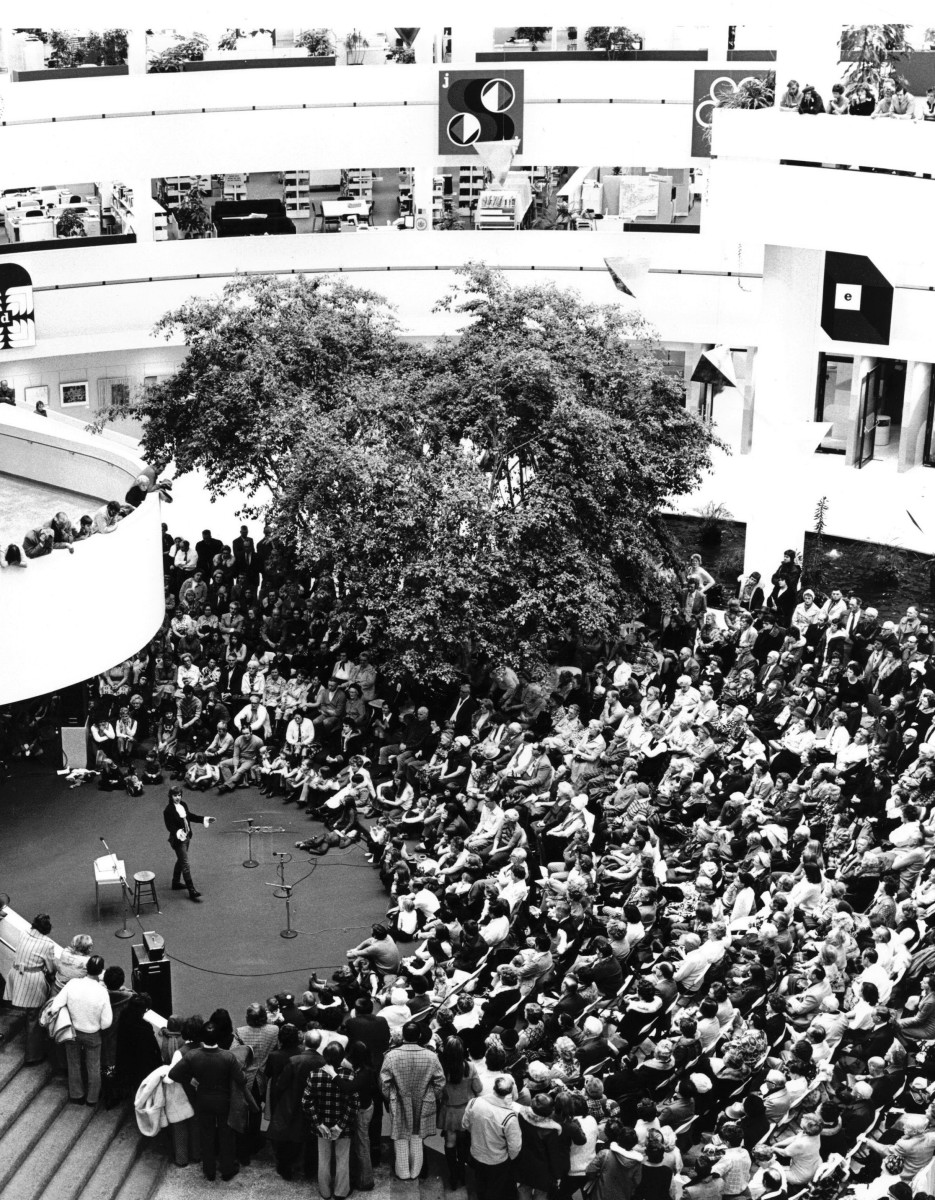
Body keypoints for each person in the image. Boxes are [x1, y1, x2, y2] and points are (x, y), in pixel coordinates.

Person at [168, 1021, 246, 1182]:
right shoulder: (228, 1056)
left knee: (206, 1135)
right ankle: (227, 1169)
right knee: (226, 1135)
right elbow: (241, 1079)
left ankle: (209, 1171)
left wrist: (191, 1079)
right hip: (224, 1100)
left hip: (202, 1099)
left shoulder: (192, 1055)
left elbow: (173, 1074)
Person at [380, 1021, 446, 1180]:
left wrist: (391, 1096)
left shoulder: (391, 1055)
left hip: (400, 1100)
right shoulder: (431, 1056)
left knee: (401, 1136)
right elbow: (440, 1081)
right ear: (419, 1036)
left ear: (403, 1035)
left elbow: (384, 1082)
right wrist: (431, 1095)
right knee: (418, 1137)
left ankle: (403, 1173)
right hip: (424, 1100)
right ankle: (415, 1171)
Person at [48, 954, 112, 1106]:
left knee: (74, 1063)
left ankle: (77, 1094)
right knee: (93, 1066)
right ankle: (92, 1098)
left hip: (72, 1031)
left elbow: (56, 1004)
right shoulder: (102, 992)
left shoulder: (73, 984)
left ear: (86, 967)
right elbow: (106, 1022)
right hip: (92, 1033)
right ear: (101, 971)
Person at [302, 1039, 358, 1200]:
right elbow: (354, 1104)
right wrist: (340, 1126)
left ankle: (325, 1191)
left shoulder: (315, 1074)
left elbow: (306, 1102)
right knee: (342, 1159)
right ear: (342, 1058)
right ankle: (341, 1192)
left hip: (322, 1126)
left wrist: (318, 1123)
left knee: (324, 1159)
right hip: (344, 1126)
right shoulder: (350, 1075)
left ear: (325, 1056)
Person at [463, 1075, 523, 1200]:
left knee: (480, 1184)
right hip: (497, 1160)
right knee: (495, 1189)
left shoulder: (474, 1102)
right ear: (509, 1092)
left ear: (494, 1088)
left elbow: (465, 1124)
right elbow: (515, 1146)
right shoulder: (509, 1117)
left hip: (476, 1153)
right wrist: (509, 1158)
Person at [9, 914, 57, 1064]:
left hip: (16, 974)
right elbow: (50, 969)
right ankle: (33, 1056)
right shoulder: (47, 943)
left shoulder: (23, 933)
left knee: (30, 1013)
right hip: (32, 979)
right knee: (34, 1016)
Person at [162, 784, 216, 901]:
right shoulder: (168, 810)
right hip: (178, 840)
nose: (178, 797)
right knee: (185, 863)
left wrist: (203, 819)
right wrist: (178, 832)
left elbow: (189, 816)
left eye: (179, 795)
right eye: (175, 795)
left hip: (187, 837)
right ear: (170, 796)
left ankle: (175, 883)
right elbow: (169, 826)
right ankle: (191, 891)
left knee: (181, 860)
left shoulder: (183, 804)